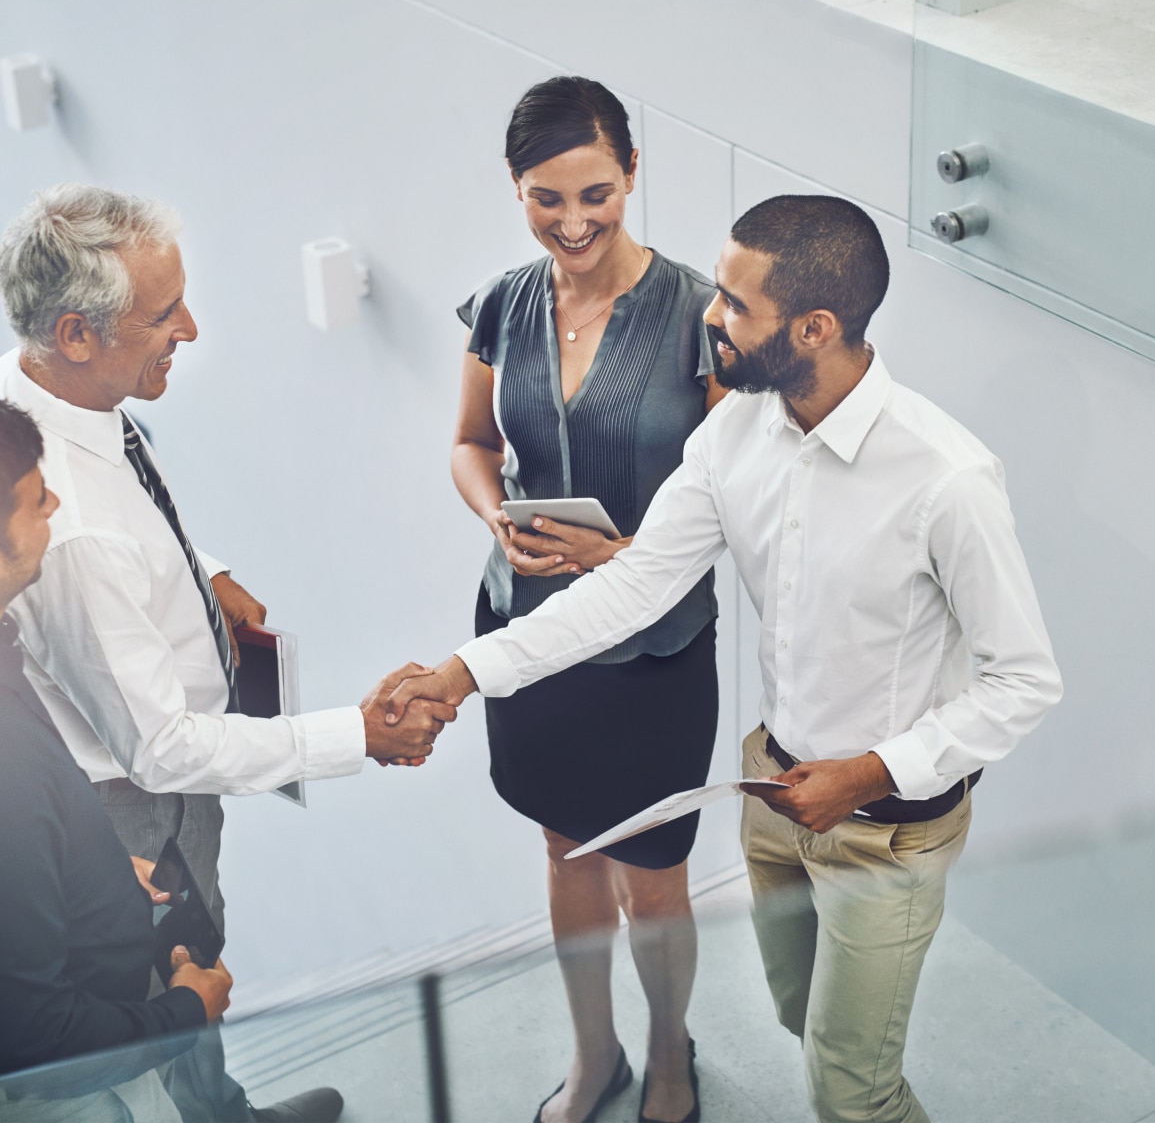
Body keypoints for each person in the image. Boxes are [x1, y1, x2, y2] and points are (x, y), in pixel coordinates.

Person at [389, 195, 1063, 1123]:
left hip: (886, 822)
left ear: (814, 327)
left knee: (850, 1088)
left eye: (738, 305)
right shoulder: (734, 434)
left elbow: (1024, 681)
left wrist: (867, 773)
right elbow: (633, 587)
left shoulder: (947, 479)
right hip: (772, 790)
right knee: (802, 1019)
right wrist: (464, 674)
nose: (711, 315)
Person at [0, 184, 457, 1123]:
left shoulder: (50, 405)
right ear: (78, 333)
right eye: (163, 314)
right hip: (137, 815)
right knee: (171, 991)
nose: (192, 329)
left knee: (185, 985)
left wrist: (198, 571)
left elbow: (125, 525)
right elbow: (163, 748)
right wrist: (358, 736)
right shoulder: (73, 531)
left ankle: (223, 1115)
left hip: (142, 793)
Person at [449, 76, 725, 1123]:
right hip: (529, 628)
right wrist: (496, 519)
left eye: (596, 195)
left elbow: (732, 502)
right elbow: (473, 444)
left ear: (634, 175)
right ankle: (593, 1051)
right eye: (544, 198)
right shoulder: (503, 304)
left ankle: (667, 1057)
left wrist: (622, 562)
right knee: (566, 850)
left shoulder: (703, 314)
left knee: (651, 875)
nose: (572, 224)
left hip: (652, 647)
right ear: (516, 189)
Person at [0, 398, 232, 1122]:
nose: (57, 505)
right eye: (38, 500)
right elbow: (40, 1038)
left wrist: (92, 861)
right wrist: (188, 1010)